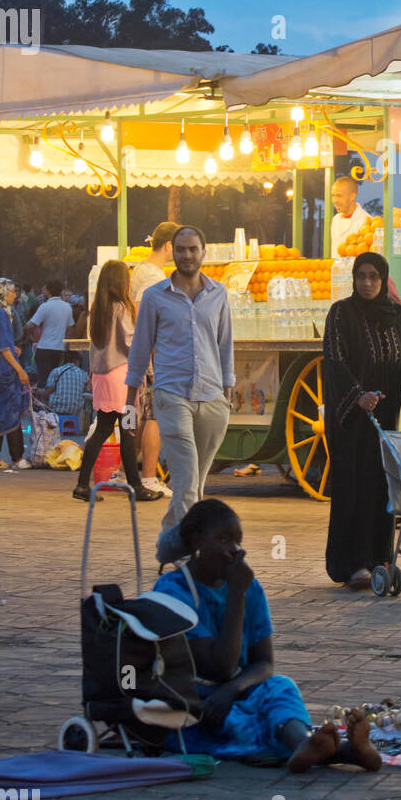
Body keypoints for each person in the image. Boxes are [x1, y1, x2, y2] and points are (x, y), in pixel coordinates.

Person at [154, 499, 381, 770]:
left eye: (238, 541)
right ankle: (343, 752)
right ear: (196, 541)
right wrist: (236, 594)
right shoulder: (173, 591)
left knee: (280, 687)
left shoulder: (249, 587)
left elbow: (264, 663)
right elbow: (220, 669)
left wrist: (234, 689)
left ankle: (305, 744)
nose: (234, 550)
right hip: (194, 700)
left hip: (235, 691)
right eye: (224, 539)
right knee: (246, 722)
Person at [322, 251, 401, 589]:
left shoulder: (397, 317)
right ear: (354, 279)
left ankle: (380, 559)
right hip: (352, 421)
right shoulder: (341, 313)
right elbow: (334, 361)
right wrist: (357, 396)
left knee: (383, 485)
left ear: (384, 280)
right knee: (354, 486)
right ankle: (353, 563)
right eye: (362, 276)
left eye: (374, 276)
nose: (368, 283)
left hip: (383, 419)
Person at [124, 226, 234, 562]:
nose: (187, 255)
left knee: (196, 484)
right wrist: (130, 402)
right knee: (185, 479)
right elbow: (140, 350)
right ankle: (191, 556)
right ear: (173, 252)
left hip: (213, 397)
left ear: (204, 251)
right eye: (182, 249)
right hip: (172, 395)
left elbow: (225, 343)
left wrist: (227, 389)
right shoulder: (156, 296)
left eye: (193, 249)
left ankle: (169, 542)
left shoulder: (218, 294)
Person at [74, 261, 160, 504]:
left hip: (103, 379)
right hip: (125, 382)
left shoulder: (98, 308)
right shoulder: (122, 308)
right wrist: (150, 368)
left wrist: (93, 373)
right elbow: (133, 342)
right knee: (129, 431)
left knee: (102, 430)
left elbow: (93, 348)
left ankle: (82, 485)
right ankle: (136, 487)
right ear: (121, 282)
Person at [130, 221, 180, 497]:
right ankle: (149, 476)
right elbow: (144, 315)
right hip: (154, 352)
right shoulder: (153, 275)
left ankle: (126, 470)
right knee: (154, 415)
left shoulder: (142, 269)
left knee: (143, 414)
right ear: (168, 245)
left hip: (144, 351)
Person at [0, 279, 31, 471]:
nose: (14, 295)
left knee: (2, 413)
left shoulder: (4, 313)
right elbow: (2, 347)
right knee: (11, 413)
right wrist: (20, 370)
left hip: (3, 370)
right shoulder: (1, 314)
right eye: (11, 292)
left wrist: (13, 348)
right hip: (4, 374)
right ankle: (17, 457)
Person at [28, 280, 75, 388]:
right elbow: (70, 328)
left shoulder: (45, 306)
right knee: (55, 381)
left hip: (44, 347)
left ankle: (42, 402)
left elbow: (30, 325)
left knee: (42, 379)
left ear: (48, 291)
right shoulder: (67, 307)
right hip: (59, 349)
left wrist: (25, 336)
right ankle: (51, 402)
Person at [330, 176, 370, 255]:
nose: (335, 200)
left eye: (339, 196)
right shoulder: (335, 219)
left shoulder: (366, 221)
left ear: (352, 196)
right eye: (333, 195)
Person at [41, 353, 86, 418]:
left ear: (64, 360)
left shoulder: (56, 371)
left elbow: (47, 393)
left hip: (56, 411)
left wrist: (37, 392)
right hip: (75, 412)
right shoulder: (83, 374)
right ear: (77, 361)